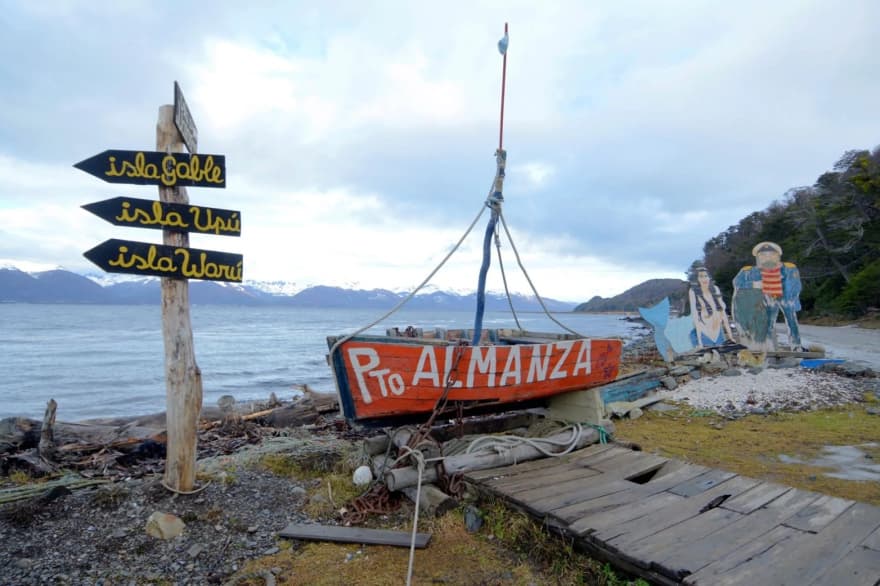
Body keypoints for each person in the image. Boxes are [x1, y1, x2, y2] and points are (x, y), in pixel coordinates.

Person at [733, 241, 802, 350]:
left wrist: (789, 298)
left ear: (777, 256)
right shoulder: (749, 271)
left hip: (785, 298)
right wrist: (753, 284)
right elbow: (738, 282)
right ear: (758, 257)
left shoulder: (789, 268)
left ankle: (796, 345)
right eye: (763, 255)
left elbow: (795, 284)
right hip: (765, 299)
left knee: (791, 320)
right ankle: (768, 345)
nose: (767, 258)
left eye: (771, 255)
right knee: (768, 323)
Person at [689, 267, 735, 348]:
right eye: (701, 276)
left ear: (709, 277)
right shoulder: (693, 292)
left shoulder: (715, 289)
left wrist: (731, 337)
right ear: (697, 279)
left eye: (706, 276)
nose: (704, 279)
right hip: (704, 332)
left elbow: (723, 314)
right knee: (707, 353)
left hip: (717, 332)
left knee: (721, 352)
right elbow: (696, 317)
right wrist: (700, 341)